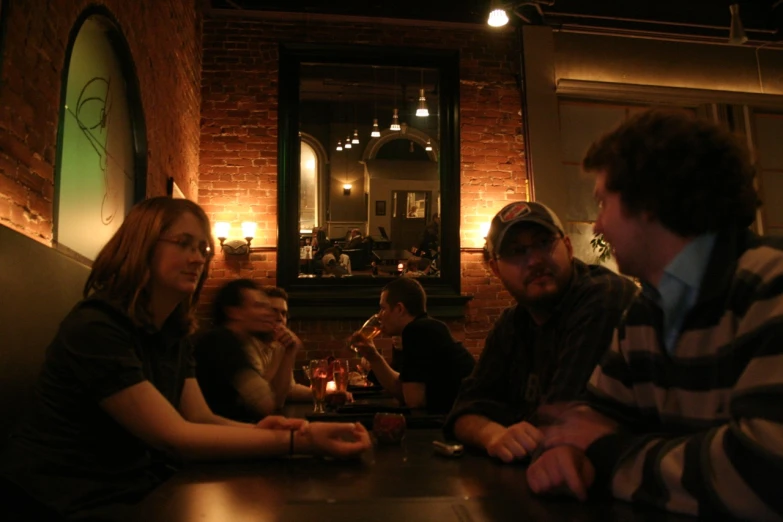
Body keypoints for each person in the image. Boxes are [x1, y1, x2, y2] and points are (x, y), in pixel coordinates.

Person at [0, 197, 370, 521]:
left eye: (203, 248)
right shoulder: (96, 327)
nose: (198, 258)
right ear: (142, 246)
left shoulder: (172, 332)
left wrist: (284, 431)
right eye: (183, 244)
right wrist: (302, 443)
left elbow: (199, 417)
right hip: (60, 499)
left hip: (134, 489)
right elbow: (175, 437)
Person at [526, 110, 783, 520]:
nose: (596, 226)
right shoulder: (646, 313)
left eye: (602, 202)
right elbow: (584, 421)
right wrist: (567, 454)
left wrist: (606, 456)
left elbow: (763, 476)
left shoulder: (770, 285)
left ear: (646, 202)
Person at [443, 201, 638, 464]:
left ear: (568, 248)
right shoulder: (512, 324)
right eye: (516, 251)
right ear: (496, 269)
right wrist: (493, 435)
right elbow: (464, 409)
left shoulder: (604, 299)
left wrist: (504, 428)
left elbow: (561, 419)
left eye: (544, 243)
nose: (534, 260)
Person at [350, 277, 475, 414]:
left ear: (399, 309)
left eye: (383, 308)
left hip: (470, 418)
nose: (379, 316)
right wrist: (373, 356)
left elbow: (413, 401)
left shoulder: (417, 330)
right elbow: (405, 388)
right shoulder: (425, 327)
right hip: (463, 414)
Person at [193, 279, 303, 420]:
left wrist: (288, 352)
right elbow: (267, 404)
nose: (268, 313)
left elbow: (276, 401)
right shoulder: (221, 343)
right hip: (223, 437)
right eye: (258, 306)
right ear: (234, 312)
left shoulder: (239, 343)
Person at [262, 285, 315, 401]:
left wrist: (324, 395)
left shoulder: (280, 345)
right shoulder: (251, 346)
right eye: (273, 311)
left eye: (284, 313)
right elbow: (268, 397)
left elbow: (288, 389)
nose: (280, 318)